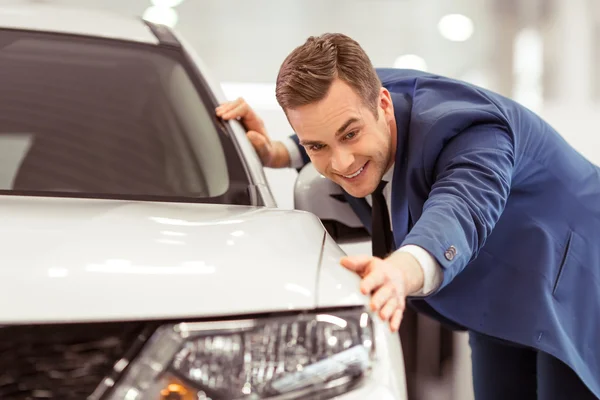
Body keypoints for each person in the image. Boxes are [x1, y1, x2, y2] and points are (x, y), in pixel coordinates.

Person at [216, 33, 600, 400]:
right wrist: (278, 154)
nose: (342, 162)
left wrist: (399, 271)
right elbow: (328, 128)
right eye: (317, 146)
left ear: (383, 104)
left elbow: (459, 208)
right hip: (498, 284)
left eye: (351, 136)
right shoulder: (354, 92)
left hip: (577, 272)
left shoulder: (472, 131)